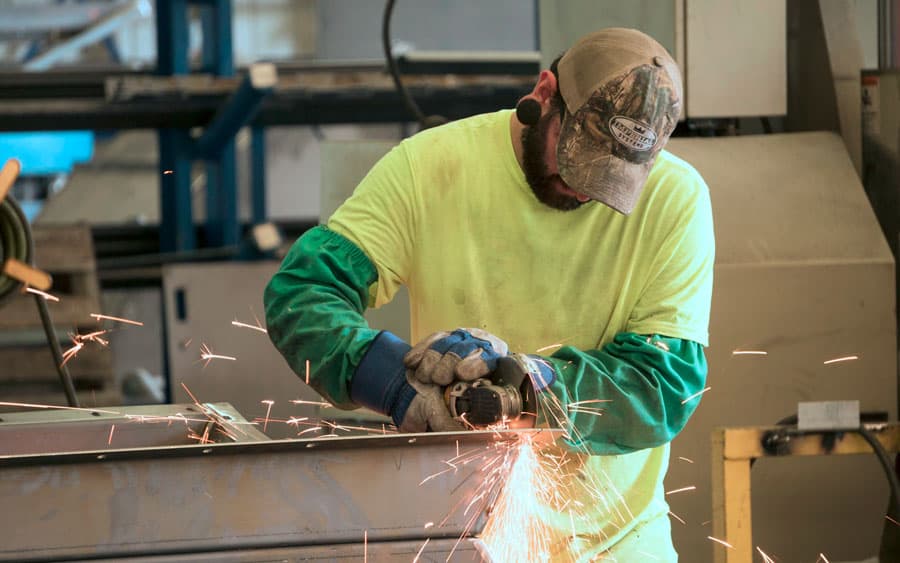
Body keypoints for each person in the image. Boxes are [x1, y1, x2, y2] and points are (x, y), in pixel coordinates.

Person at [265, 27, 714, 561]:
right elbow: (304, 290)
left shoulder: (676, 200)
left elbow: (665, 383)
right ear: (544, 94)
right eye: (574, 159)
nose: (584, 188)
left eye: (609, 179)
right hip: (461, 537)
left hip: (616, 544)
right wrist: (391, 379)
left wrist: (534, 387)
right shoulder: (430, 167)